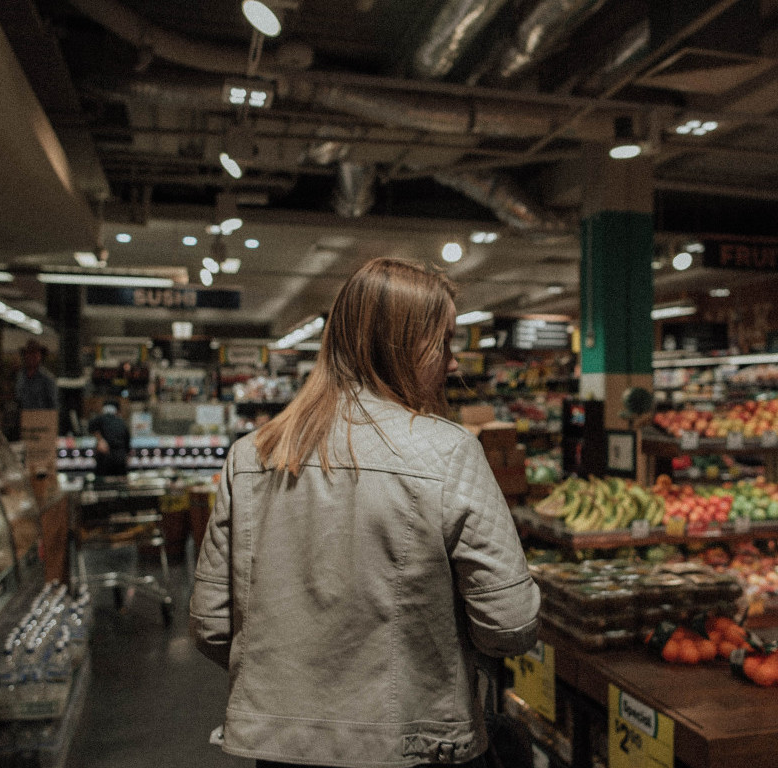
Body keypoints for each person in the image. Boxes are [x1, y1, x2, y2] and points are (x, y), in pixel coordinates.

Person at [191, 258, 539, 768]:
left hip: (283, 750)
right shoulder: (446, 452)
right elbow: (509, 625)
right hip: (414, 746)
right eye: (443, 342)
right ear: (398, 345)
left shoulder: (251, 455)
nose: (454, 362)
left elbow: (211, 624)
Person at [87, 400, 130, 476]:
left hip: (105, 458)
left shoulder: (100, 418)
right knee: (120, 483)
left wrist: (100, 440)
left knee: (103, 483)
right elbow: (127, 443)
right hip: (120, 458)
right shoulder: (122, 422)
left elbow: (90, 427)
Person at [15, 339, 58, 411]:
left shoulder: (48, 378)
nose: (31, 357)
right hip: (24, 418)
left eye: (35, 353)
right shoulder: (21, 376)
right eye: (29, 353)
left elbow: (54, 404)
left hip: (42, 418)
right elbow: (18, 399)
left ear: (40, 356)